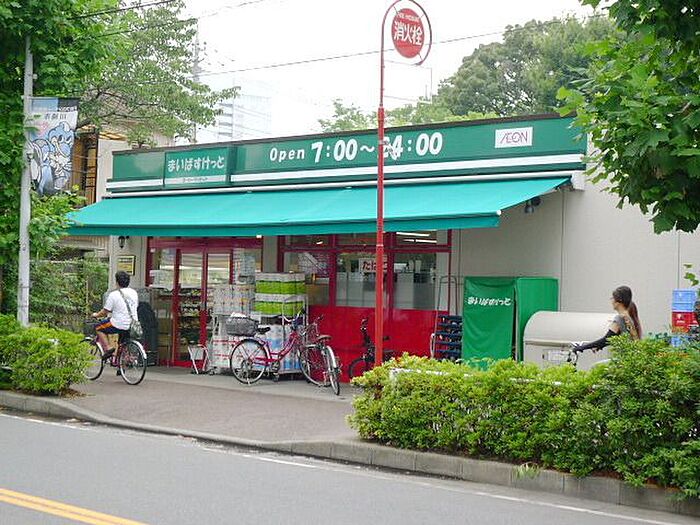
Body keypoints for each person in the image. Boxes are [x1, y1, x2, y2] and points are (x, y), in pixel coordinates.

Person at [574, 285, 642, 353]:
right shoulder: (628, 317)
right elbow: (611, 338)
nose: (611, 300)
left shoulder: (620, 318)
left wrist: (581, 347)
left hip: (625, 356)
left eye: (612, 298)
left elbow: (606, 340)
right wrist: (599, 346)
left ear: (619, 300)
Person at [91, 271, 139, 361]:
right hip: (131, 324)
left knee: (98, 327)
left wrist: (96, 315)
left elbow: (105, 311)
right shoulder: (134, 293)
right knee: (123, 343)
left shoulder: (114, 294)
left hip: (118, 324)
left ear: (117, 282)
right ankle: (124, 362)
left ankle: (108, 348)